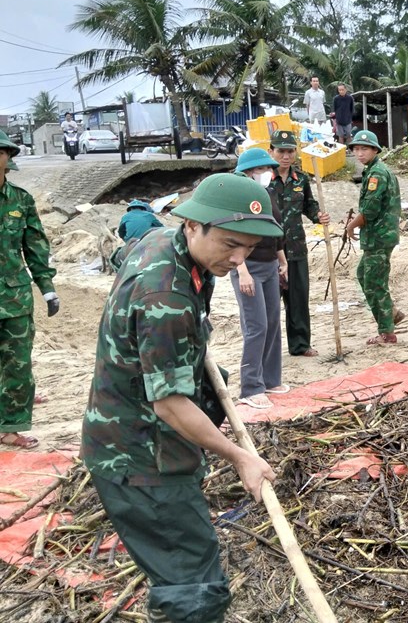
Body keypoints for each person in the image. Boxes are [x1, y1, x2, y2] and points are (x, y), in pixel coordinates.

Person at [80, 173, 280, 622]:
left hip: (146, 440)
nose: (239, 257)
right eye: (230, 244)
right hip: (142, 458)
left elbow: (123, 253)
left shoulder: (164, 246)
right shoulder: (164, 293)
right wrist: (239, 456)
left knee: (187, 565)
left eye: (249, 247)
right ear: (192, 225)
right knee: (193, 585)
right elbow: (170, 404)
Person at [0, 131, 58, 450]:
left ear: (8, 157)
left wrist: (47, 288)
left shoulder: (21, 201)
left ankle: (10, 428)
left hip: (14, 300)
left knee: (18, 366)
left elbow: (35, 248)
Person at [230, 149, 288, 410]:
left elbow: (275, 230)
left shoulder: (266, 195)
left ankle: (270, 379)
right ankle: (250, 387)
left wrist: (282, 260)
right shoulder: (239, 198)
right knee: (257, 326)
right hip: (248, 266)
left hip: (270, 264)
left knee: (273, 322)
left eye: (268, 169)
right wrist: (242, 271)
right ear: (247, 173)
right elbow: (233, 237)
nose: (267, 174)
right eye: (261, 170)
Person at [267, 130, 330, 357]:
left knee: (298, 300)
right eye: (281, 151)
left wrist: (318, 216)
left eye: (290, 151)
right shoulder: (262, 180)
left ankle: (300, 345)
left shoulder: (301, 179)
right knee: (269, 303)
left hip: (295, 249)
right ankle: (269, 349)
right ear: (271, 152)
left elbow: (308, 206)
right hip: (269, 252)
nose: (286, 156)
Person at [344, 130, 403, 345]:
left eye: (364, 149)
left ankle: (387, 332)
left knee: (374, 283)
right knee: (364, 275)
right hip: (378, 236)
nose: (359, 153)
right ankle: (391, 313)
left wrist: (351, 226)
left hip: (379, 236)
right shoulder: (373, 170)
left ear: (375, 150)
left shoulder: (377, 173)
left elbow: (369, 210)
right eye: (356, 149)